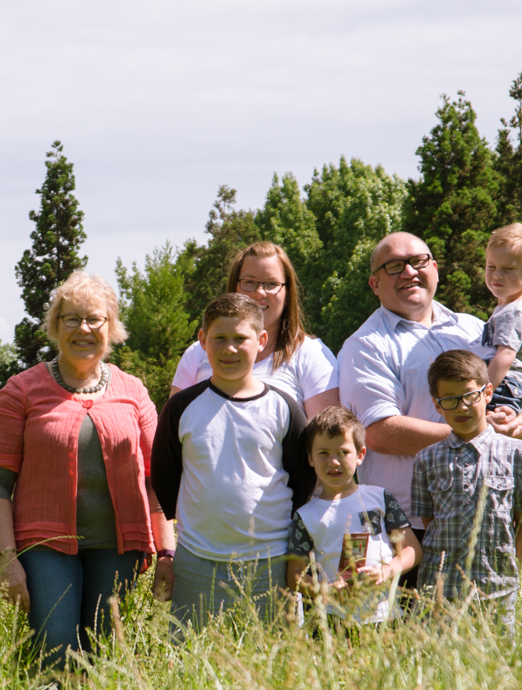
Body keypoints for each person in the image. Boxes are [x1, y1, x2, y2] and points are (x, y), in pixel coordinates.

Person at [0, 271, 172, 675]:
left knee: (102, 653)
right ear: (56, 326)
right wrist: (6, 559)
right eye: (71, 319)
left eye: (94, 319)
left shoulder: (134, 391)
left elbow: (156, 480)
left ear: (111, 326)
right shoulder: (20, 390)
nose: (83, 329)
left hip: (118, 548)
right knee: (55, 648)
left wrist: (167, 552)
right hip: (44, 547)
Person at [336, 231, 522, 521]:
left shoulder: (474, 327)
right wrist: (478, 433)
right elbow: (379, 432)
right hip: (412, 523)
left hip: (488, 515)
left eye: (418, 261)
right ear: (374, 284)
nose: (409, 272)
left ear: (434, 269)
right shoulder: (365, 346)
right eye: (394, 266)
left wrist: (516, 424)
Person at [149, 292, 314, 631]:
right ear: (202, 340)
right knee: (191, 657)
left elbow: (303, 481)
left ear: (261, 340)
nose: (230, 348)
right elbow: (165, 476)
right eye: (219, 338)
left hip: (271, 561)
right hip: (197, 561)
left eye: (240, 338)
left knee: (273, 657)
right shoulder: (181, 407)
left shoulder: (284, 408)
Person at [408, 349, 522, 626]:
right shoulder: (426, 459)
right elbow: (429, 521)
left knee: (496, 652)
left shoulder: (518, 453)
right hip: (438, 590)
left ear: (488, 392)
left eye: (470, 396)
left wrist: (514, 568)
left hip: (496, 588)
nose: (461, 407)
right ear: (437, 405)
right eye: (449, 400)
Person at [167, 240, 341, 415]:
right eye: (249, 282)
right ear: (234, 286)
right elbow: (175, 422)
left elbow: (326, 431)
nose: (259, 292)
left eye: (271, 284)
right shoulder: (197, 354)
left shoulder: (312, 355)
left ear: (287, 292)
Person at [284, 405, 419, 629]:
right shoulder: (305, 515)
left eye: (343, 452)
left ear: (360, 455)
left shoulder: (380, 498)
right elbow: (294, 575)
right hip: (333, 620)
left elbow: (411, 549)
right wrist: (326, 591)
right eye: (323, 453)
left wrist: (386, 571)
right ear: (310, 458)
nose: (334, 462)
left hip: (385, 616)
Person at [480, 223, 522, 417]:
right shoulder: (508, 309)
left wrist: (480, 394)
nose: (497, 274)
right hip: (501, 386)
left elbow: (505, 357)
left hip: (501, 387)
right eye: (491, 267)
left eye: (508, 269)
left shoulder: (515, 312)